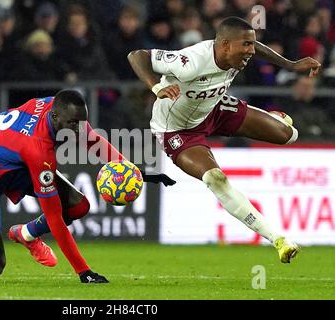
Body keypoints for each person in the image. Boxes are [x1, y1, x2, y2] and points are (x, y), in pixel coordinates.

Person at [0, 90, 175, 283]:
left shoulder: (56, 107)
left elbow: (92, 140)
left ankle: (26, 234)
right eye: (72, 124)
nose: (77, 129)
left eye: (80, 122)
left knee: (78, 205)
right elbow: (54, 216)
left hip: (8, 167)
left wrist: (136, 173)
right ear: (56, 118)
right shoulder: (38, 149)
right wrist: (84, 271)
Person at [128, 16, 321, 263]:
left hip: (214, 109)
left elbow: (255, 46)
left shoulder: (234, 52)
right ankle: (279, 240)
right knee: (215, 179)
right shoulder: (191, 62)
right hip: (177, 131)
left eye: (252, 44)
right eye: (246, 46)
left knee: (288, 135)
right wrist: (155, 87)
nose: (251, 52)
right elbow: (136, 55)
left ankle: (275, 119)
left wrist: (290, 65)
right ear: (226, 45)